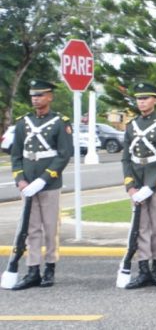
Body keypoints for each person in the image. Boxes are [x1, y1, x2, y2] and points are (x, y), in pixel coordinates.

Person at [8, 80, 74, 290]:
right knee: (31, 229)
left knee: (50, 228)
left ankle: (50, 268)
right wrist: (20, 179)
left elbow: (64, 155)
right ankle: (33, 269)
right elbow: (16, 155)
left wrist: (43, 180)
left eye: (40, 95)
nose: (36, 98)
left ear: (50, 97)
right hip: (27, 184)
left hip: (49, 184)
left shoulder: (59, 122)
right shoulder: (22, 123)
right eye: (33, 95)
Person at [122, 82, 156, 289]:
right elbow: (126, 158)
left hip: (155, 180)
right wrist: (131, 186)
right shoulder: (131, 125)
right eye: (138, 99)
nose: (141, 102)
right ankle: (143, 268)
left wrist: (152, 185)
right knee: (141, 227)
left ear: (155, 100)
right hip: (137, 179)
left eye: (146, 98)